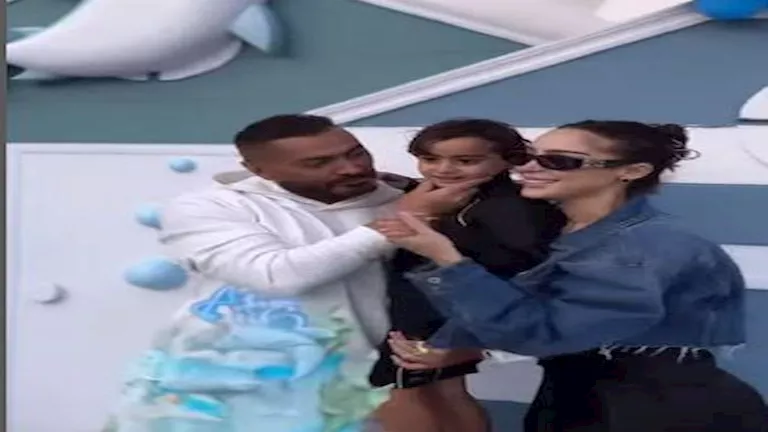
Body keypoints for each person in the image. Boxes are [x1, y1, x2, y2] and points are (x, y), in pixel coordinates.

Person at [372, 120, 768, 431]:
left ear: (632, 171)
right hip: (581, 399)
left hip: (652, 410)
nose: (528, 168)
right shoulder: (571, 230)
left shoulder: (638, 249)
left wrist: (445, 259)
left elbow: (554, 330)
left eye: (560, 161)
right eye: (530, 156)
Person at [102, 114, 487, 432]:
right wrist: (405, 220)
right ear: (258, 169)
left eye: (356, 152)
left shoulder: (412, 194)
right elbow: (274, 276)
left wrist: (472, 342)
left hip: (383, 382)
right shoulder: (210, 208)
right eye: (319, 163)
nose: (352, 168)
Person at [367, 119, 564, 432]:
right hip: (451, 313)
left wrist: (426, 221)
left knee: (396, 393)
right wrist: (404, 185)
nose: (444, 169)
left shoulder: (509, 209)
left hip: (431, 315)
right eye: (430, 159)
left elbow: (522, 260)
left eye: (466, 161)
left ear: (510, 159)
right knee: (448, 390)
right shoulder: (493, 197)